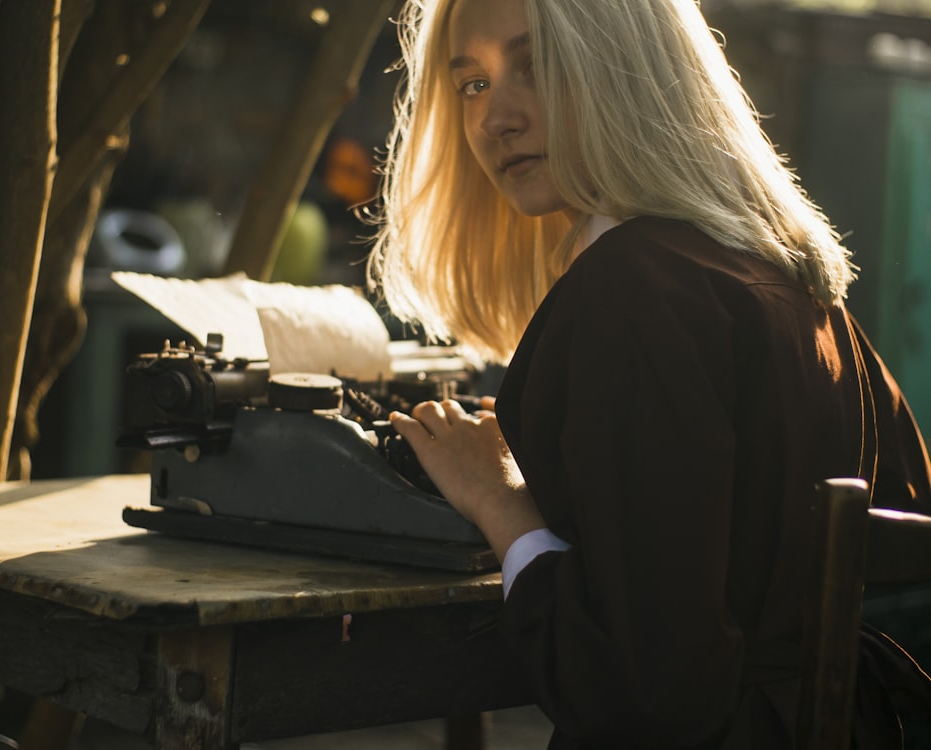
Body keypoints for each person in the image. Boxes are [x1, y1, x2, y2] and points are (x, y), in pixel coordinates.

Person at [366, 0, 931, 747]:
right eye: (471, 84)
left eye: (536, 66)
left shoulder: (631, 290)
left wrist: (501, 502)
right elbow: (903, 496)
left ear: (630, 70)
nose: (493, 118)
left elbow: (641, 692)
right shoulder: (793, 280)